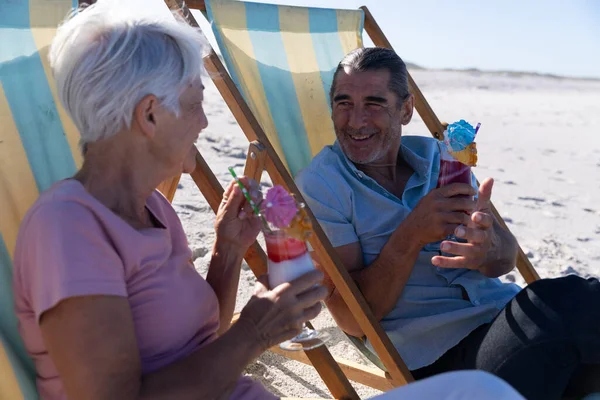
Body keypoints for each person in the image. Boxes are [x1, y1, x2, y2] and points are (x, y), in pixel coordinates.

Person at [11, 2, 327, 399]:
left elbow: (198, 346)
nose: (205, 121)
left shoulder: (153, 208)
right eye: (195, 102)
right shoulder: (66, 228)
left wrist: (228, 252)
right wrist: (255, 332)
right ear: (150, 114)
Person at [296, 47, 600, 400]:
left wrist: (487, 248)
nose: (355, 120)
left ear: (406, 109)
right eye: (343, 103)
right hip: (443, 363)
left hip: (505, 324)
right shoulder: (322, 186)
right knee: (564, 300)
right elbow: (352, 320)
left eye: (374, 104)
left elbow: (504, 259)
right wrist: (410, 235)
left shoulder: (440, 158)